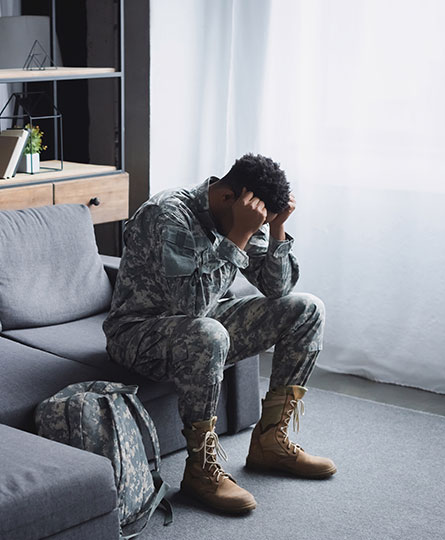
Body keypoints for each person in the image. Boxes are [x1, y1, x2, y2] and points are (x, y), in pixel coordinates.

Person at [103, 154, 336, 514]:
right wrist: (239, 233)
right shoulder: (167, 215)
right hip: (139, 334)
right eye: (257, 221)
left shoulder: (238, 213)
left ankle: (270, 442)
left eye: (261, 222)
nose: (253, 228)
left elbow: (278, 288)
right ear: (229, 197)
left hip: (201, 323)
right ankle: (200, 471)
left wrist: (276, 230)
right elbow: (192, 304)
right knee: (208, 332)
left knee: (307, 308)